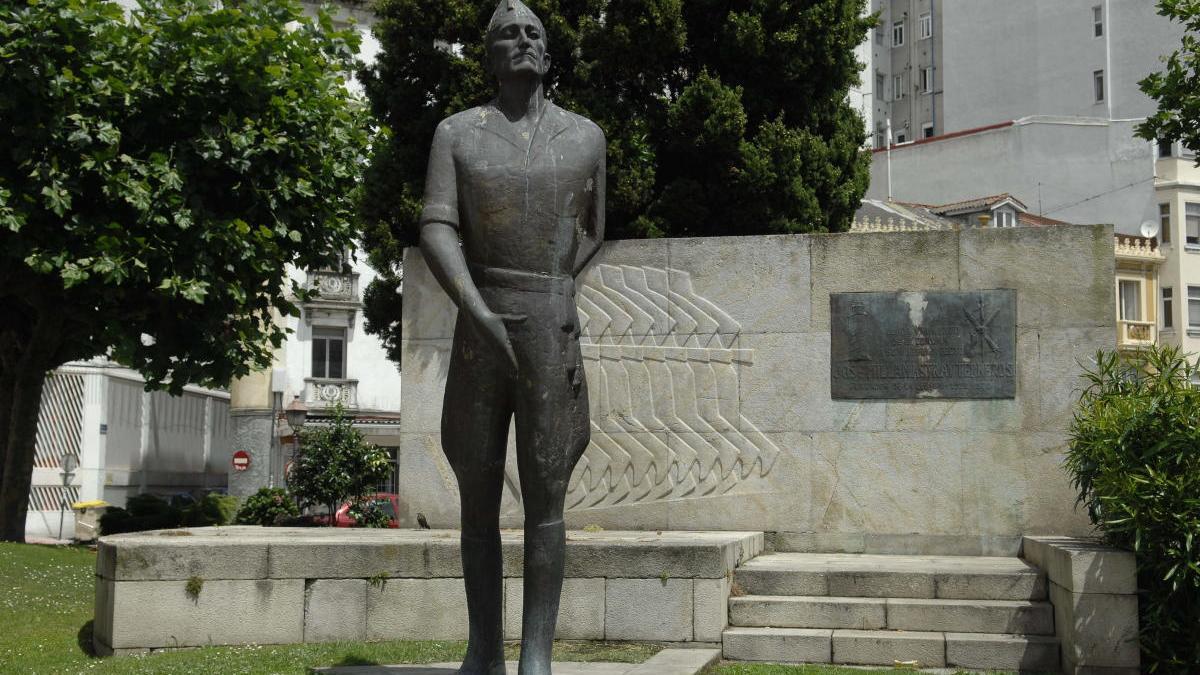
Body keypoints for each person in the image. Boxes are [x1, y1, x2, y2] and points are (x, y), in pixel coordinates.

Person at [418, 1, 605, 673]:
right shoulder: (456, 135)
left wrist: (556, 292)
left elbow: (594, 230)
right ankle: (482, 649)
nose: (522, 41)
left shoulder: (586, 136)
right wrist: (477, 305)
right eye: (507, 34)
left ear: (548, 52)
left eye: (533, 33)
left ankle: (536, 654)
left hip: (549, 329)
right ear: (488, 54)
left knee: (547, 495)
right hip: (481, 326)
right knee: (477, 491)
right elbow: (437, 226)